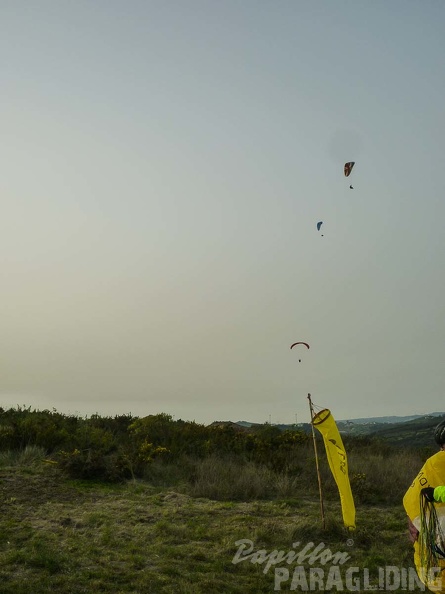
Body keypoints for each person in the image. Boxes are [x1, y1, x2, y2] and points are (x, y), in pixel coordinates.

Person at [403, 420, 445, 592]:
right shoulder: (434, 465)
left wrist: (435, 494)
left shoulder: (434, 464)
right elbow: (413, 499)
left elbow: (412, 500)